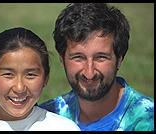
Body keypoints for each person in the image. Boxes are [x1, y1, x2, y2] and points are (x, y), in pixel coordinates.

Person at [39, 3, 154, 131]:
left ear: (119, 59)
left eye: (100, 57)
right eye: (78, 57)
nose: (89, 73)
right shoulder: (45, 118)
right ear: (62, 60)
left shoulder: (148, 120)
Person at [0, 27, 80, 131]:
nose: (19, 88)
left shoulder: (63, 128)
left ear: (46, 78)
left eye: (30, 75)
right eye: (8, 74)